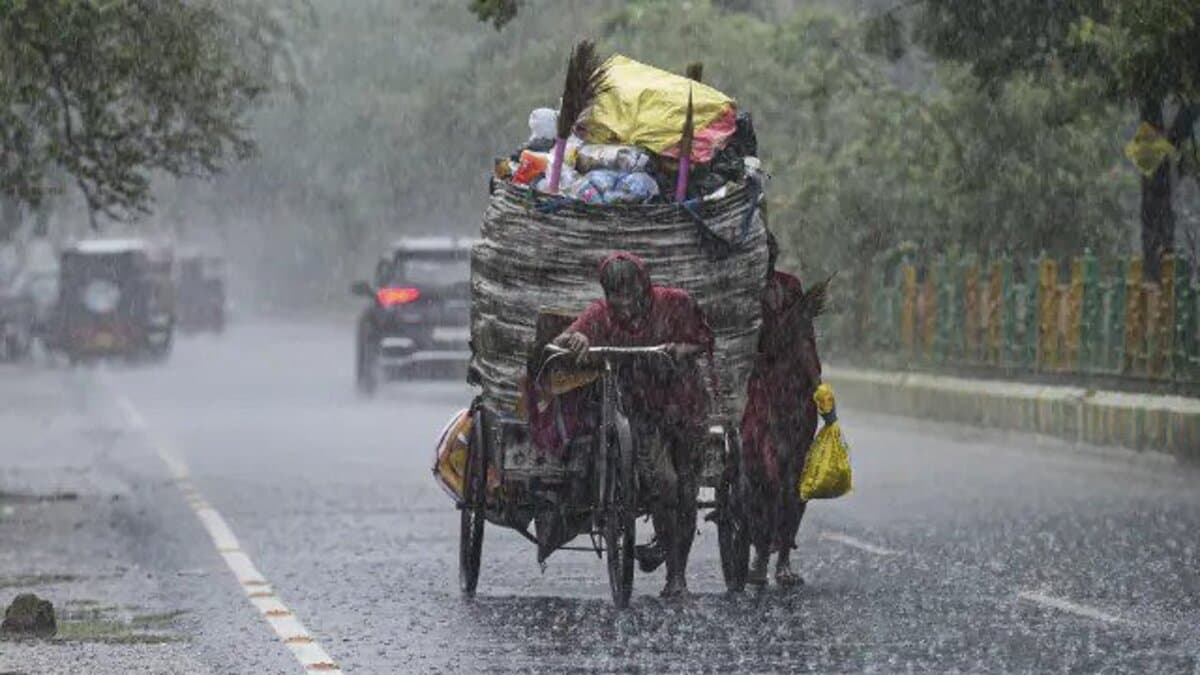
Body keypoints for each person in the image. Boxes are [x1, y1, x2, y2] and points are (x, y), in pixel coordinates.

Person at [555, 251, 715, 598]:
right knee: (665, 483)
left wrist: (680, 350)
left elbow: (704, 340)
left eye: (629, 293)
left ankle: (677, 576)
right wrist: (577, 340)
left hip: (686, 408)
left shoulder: (675, 304)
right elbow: (565, 339)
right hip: (642, 413)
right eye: (615, 294)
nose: (623, 303)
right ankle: (669, 554)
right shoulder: (601, 316)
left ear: (643, 287)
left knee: (687, 489)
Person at [740, 231, 825, 588]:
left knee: (794, 479)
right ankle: (760, 552)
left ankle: (783, 556)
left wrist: (819, 388)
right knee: (762, 475)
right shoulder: (740, 290)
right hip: (760, 390)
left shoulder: (790, 288)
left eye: (769, 251)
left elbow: (804, 338)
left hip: (794, 394)